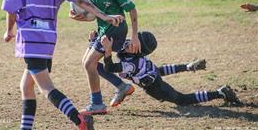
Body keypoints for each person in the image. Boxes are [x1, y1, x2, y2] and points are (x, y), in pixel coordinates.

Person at [1, 0, 124, 130]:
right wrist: (104, 16)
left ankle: (80, 120)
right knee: (26, 86)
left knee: (46, 87)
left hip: (31, 42)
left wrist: (8, 31)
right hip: (48, 42)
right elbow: (82, 0)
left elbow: (11, 9)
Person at [70, 0, 140, 114]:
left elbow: (132, 10)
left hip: (116, 29)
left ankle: (97, 104)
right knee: (87, 63)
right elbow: (86, 12)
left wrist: (135, 36)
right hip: (103, 30)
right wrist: (76, 16)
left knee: (89, 64)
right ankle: (122, 86)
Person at [101, 31, 241, 106]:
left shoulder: (132, 63)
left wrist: (107, 52)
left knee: (182, 100)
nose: (132, 42)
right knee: (158, 71)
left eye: (135, 43)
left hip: (155, 88)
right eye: (134, 39)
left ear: (139, 51)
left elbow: (109, 68)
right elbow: (159, 70)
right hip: (152, 75)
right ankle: (188, 66)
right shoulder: (129, 47)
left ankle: (220, 93)